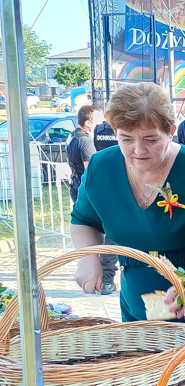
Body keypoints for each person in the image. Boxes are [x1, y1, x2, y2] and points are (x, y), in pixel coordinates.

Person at [70, 82, 185, 322]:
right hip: (137, 304)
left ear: (171, 130)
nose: (138, 150)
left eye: (150, 139)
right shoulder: (101, 167)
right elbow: (83, 221)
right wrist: (88, 258)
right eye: (126, 139)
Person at [67, 105, 119, 295]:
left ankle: (105, 277)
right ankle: (106, 279)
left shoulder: (74, 136)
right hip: (93, 192)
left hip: (80, 188)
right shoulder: (85, 142)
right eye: (98, 120)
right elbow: (92, 169)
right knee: (111, 237)